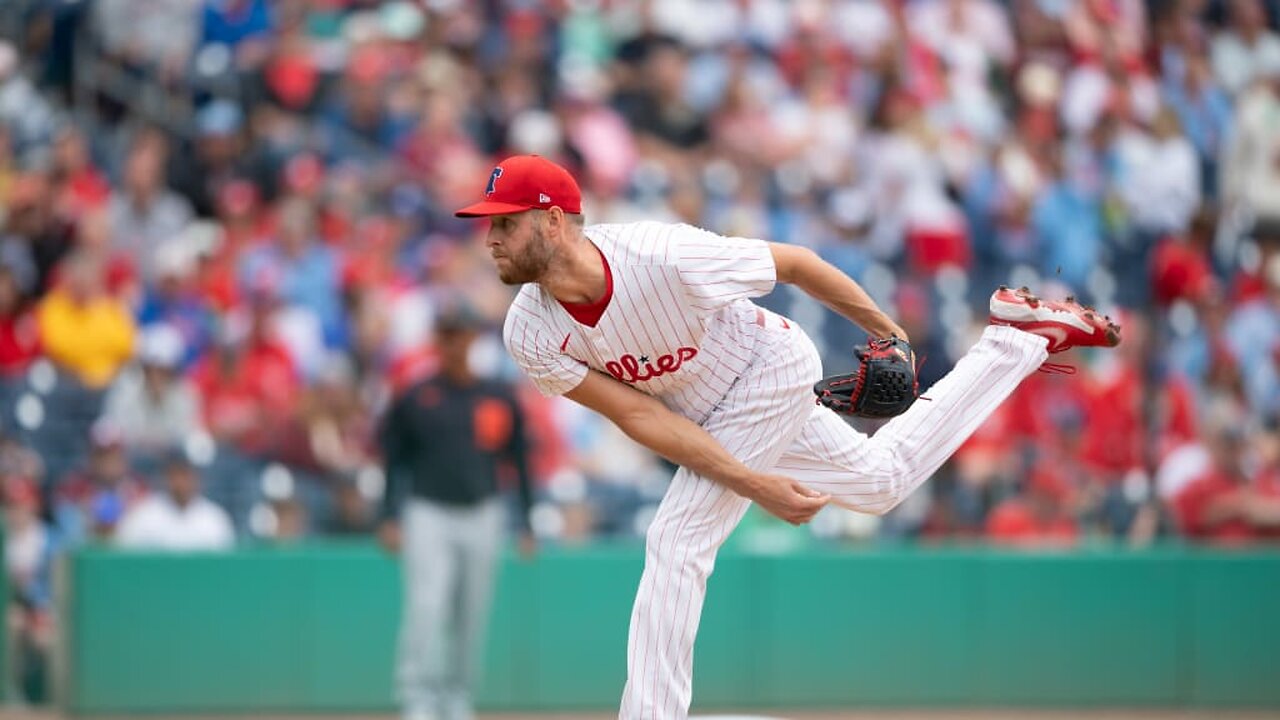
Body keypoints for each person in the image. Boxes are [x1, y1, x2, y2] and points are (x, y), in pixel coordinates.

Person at [454, 154, 1123, 719]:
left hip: (768, 368)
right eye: (488, 227)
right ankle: (1014, 341)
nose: (490, 240)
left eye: (503, 224)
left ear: (550, 220)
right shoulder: (530, 331)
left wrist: (889, 336)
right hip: (714, 415)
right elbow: (641, 417)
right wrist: (752, 482)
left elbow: (797, 264)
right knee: (881, 481)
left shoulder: (662, 256)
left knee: (676, 537)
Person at [377, 301, 536, 720]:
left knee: (472, 609)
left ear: (471, 339)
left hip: (484, 511)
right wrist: (389, 515)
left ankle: (457, 695)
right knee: (427, 606)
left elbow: (518, 459)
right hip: (428, 511)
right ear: (437, 340)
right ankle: (419, 696)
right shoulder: (416, 395)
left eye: (458, 333)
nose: (451, 342)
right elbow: (393, 459)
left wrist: (527, 520)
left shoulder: (497, 397)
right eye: (444, 334)